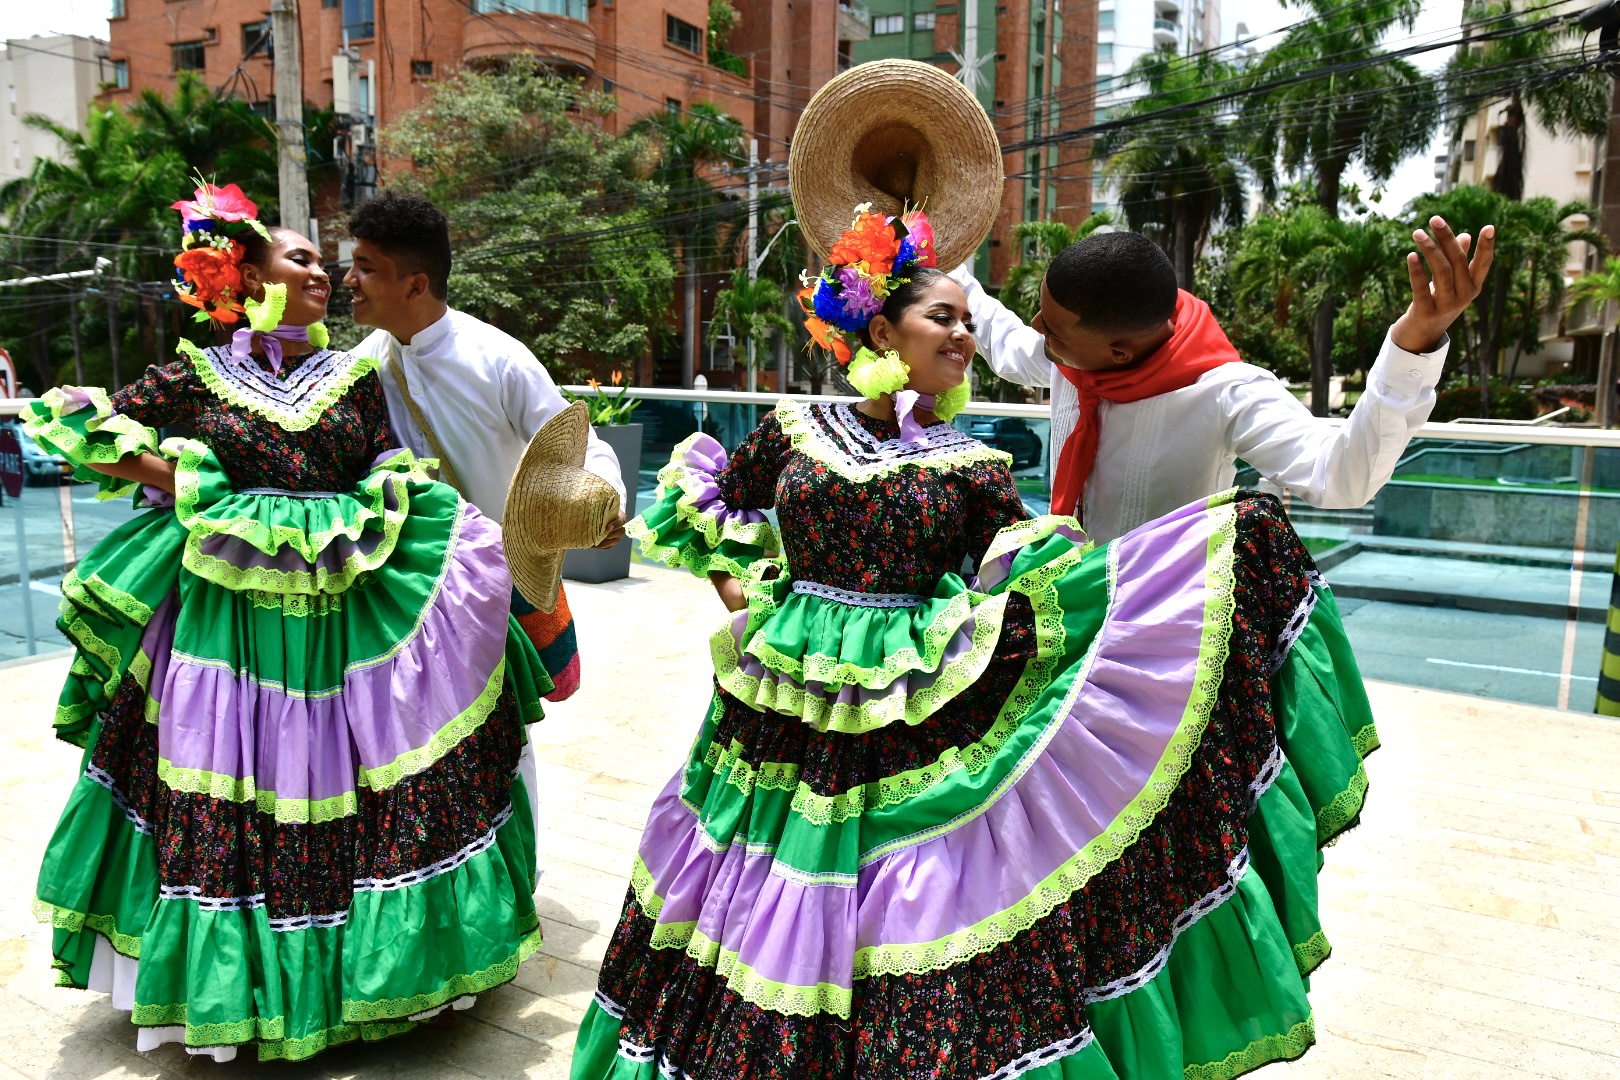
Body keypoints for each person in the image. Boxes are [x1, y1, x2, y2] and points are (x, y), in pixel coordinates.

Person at [573, 206, 1379, 1078]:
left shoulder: (975, 465)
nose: (969, 333)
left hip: (902, 702)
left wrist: (1171, 568)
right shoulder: (795, 426)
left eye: (968, 318)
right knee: (748, 870)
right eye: (944, 317)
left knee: (889, 893)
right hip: (777, 698)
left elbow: (1023, 573)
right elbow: (710, 505)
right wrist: (750, 600)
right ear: (883, 330)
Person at [22, 182, 552, 1062]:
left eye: (336, 262)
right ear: (242, 276)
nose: (329, 274)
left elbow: (392, 467)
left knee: (347, 784)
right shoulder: (194, 374)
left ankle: (364, 983)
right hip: (223, 630)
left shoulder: (356, 372)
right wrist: (189, 479)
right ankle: (232, 991)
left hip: (340, 618)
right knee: (234, 783)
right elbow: (91, 431)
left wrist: (484, 548)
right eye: (302, 257)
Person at [950, 218, 1494, 541]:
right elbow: (1003, 340)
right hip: (1068, 607)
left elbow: (1342, 477)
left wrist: (1414, 343)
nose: (1039, 333)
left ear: (1119, 351)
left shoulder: (1228, 392)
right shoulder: (1072, 356)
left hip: (1171, 639)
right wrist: (939, 247)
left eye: (1055, 328)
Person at [343, 189, 628, 703]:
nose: (348, 281)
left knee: (505, 734)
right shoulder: (361, 365)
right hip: (406, 591)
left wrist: (601, 502)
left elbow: (578, 441)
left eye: (365, 268)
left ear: (416, 285)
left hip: (496, 584)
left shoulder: (498, 358)